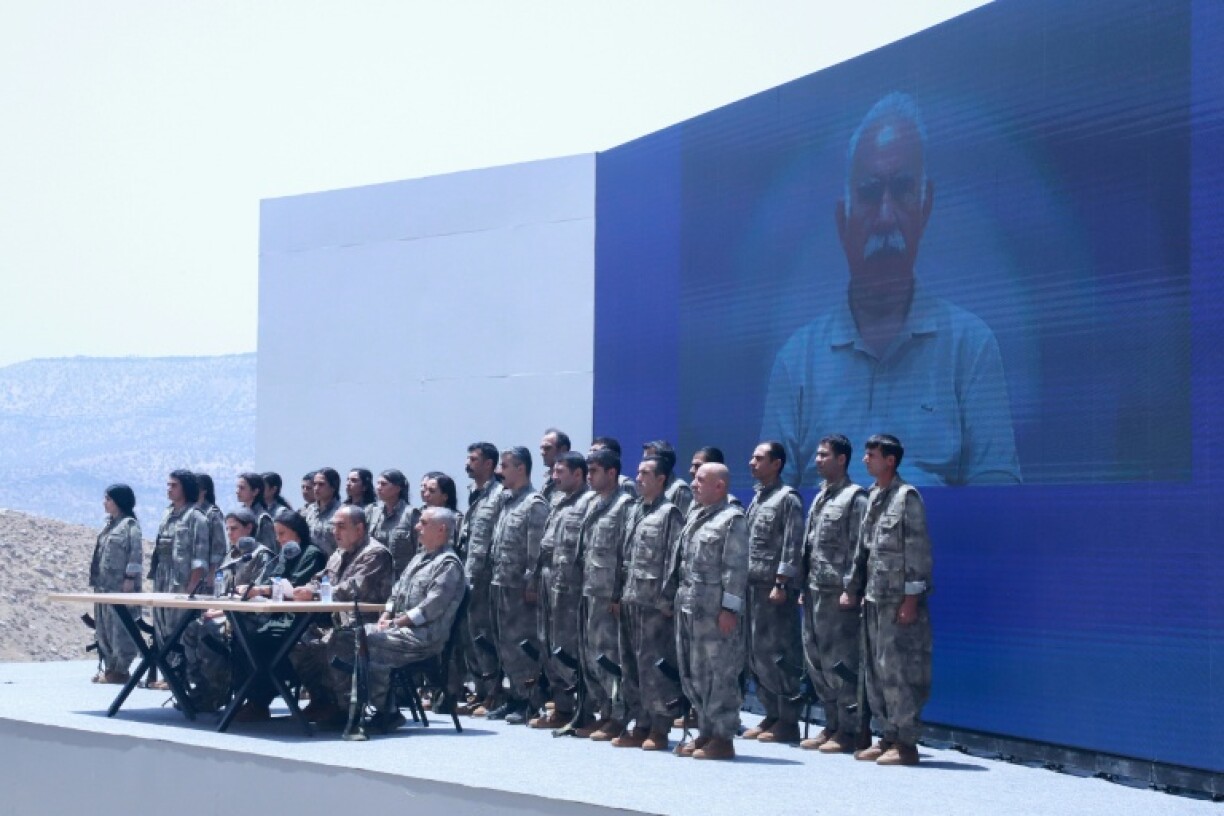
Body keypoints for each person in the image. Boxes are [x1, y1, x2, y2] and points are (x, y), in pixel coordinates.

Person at [759, 91, 1020, 487]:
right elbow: (771, 504)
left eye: (901, 190)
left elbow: (999, 501)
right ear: (842, 219)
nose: (885, 218)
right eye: (867, 192)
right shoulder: (796, 363)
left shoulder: (972, 347)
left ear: (925, 206)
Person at [841, 434, 933, 766]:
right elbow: (863, 551)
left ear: (890, 460)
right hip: (874, 598)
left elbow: (918, 553)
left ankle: (906, 743)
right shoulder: (874, 496)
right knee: (876, 673)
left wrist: (911, 599)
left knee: (899, 671)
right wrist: (852, 588)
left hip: (898, 601)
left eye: (872, 455)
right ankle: (887, 735)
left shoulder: (906, 498)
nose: (865, 459)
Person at [351, 507, 467, 732]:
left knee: (367, 640)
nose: (417, 527)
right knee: (349, 634)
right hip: (402, 629)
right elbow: (397, 592)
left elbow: (431, 608)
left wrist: (396, 623)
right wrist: (386, 615)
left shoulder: (448, 564)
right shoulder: (419, 557)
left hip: (424, 637)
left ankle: (386, 711)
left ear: (441, 529)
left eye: (423, 523)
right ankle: (344, 705)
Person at [290, 505, 394, 726]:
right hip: (336, 621)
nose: (335, 532)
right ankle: (323, 699)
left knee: (337, 641)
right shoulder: (338, 554)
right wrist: (303, 589)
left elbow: (353, 588)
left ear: (359, 528)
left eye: (341, 526)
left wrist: (314, 593)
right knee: (295, 640)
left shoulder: (376, 554)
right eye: (333, 526)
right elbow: (321, 580)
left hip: (366, 623)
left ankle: (346, 708)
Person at [671, 463, 748, 761]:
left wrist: (730, 609)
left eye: (701, 480)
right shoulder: (696, 515)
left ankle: (723, 737)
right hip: (692, 609)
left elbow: (736, 569)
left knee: (720, 675)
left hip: (716, 614)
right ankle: (705, 731)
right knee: (695, 673)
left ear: (720, 486)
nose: (693, 484)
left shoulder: (732, 520)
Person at [800, 434, 867, 752]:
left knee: (841, 661)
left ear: (842, 459)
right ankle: (832, 723)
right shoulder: (821, 496)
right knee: (817, 661)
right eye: (817, 454)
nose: (817, 459)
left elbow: (859, 548)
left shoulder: (855, 498)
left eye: (824, 454)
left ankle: (850, 728)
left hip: (837, 593)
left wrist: (851, 588)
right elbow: (810, 546)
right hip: (815, 590)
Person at [616, 455, 685, 750]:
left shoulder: (670, 514)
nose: (638, 477)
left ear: (661, 479)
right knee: (631, 665)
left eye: (646, 473)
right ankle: (639, 722)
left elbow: (674, 559)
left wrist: (667, 599)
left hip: (654, 604)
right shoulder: (634, 511)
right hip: (631, 598)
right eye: (638, 471)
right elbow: (624, 557)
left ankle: (659, 726)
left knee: (654, 666)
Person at [231, 511, 327, 723]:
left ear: (297, 533)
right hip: (274, 617)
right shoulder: (283, 554)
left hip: (299, 620)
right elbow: (272, 579)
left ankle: (260, 701)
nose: (279, 539)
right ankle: (253, 699)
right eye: (277, 534)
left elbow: (295, 587)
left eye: (282, 533)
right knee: (240, 640)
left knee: (258, 643)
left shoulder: (311, 554)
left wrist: (262, 591)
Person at [741, 441, 805, 744]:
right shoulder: (758, 499)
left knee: (779, 653)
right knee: (757, 654)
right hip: (752, 587)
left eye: (759, 458)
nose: (752, 463)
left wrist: (782, 583)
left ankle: (788, 719)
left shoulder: (786, 499)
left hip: (773, 590)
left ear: (776, 463)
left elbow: (792, 544)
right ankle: (771, 713)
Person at [574, 447, 636, 741]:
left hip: (608, 594)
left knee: (610, 656)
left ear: (612, 473)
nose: (589, 476)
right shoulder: (593, 503)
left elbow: (627, 554)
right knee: (591, 655)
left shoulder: (625, 505)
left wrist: (618, 595)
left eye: (595, 471)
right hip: (589, 589)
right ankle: (603, 712)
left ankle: (618, 716)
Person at [531, 451, 593, 730]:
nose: (554, 477)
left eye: (561, 472)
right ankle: (562, 707)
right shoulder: (556, 501)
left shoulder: (589, 503)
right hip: (549, 582)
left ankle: (584, 709)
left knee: (572, 650)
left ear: (578, 475)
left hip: (573, 589)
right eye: (554, 472)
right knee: (549, 646)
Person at [486, 446, 548, 724]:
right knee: (505, 644)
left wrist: (531, 583)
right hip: (501, 584)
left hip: (520, 589)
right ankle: (515, 696)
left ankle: (531, 700)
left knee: (524, 645)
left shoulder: (534, 504)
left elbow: (536, 551)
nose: (500, 471)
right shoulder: (508, 502)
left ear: (521, 468)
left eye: (505, 466)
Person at [149, 470, 209, 689]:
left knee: (180, 629)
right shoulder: (167, 514)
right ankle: (168, 674)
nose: (169, 489)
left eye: (174, 485)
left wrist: (194, 583)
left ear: (185, 488)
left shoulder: (196, 517)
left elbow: (200, 556)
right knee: (162, 628)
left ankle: (181, 675)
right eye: (168, 485)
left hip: (183, 582)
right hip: (163, 578)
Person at [458, 442, 504, 717]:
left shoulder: (498, 495)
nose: (468, 463)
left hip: (487, 578)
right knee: (471, 635)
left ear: (489, 463)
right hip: (469, 574)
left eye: (473, 459)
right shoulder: (474, 495)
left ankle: (495, 693)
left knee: (486, 636)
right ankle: (481, 690)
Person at [88, 484, 143, 684]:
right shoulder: (108, 526)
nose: (105, 503)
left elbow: (135, 554)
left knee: (121, 628)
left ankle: (121, 669)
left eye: (108, 499)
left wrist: (129, 579)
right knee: (103, 628)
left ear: (119, 501)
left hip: (121, 587)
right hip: (103, 587)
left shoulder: (130, 526)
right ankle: (111, 667)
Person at [366, 469, 420, 575]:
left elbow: (420, 549)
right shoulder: (372, 512)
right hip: (375, 575)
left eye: (384, 484)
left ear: (397, 488)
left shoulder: (411, 514)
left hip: (401, 576)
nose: (378, 487)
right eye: (378, 484)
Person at [643, 440, 692, 516]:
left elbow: (680, 524)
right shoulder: (645, 486)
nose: (644, 463)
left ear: (664, 462)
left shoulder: (680, 490)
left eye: (648, 459)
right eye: (644, 459)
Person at [194, 473, 227, 573]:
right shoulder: (190, 512)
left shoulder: (213, 514)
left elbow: (218, 548)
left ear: (204, 490)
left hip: (206, 572)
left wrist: (213, 573)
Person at [236, 472, 277, 551]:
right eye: (237, 487)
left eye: (242, 488)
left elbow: (268, 550)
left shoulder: (263, 519)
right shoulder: (238, 515)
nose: (237, 491)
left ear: (255, 491)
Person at [306, 468, 341, 556]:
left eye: (321, 484)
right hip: (312, 563)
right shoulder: (309, 510)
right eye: (314, 484)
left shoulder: (341, 512)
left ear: (333, 487)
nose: (316, 488)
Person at [539, 428, 572, 503]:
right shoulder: (547, 481)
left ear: (563, 450)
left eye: (547, 448)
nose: (542, 453)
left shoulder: (571, 479)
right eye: (542, 448)